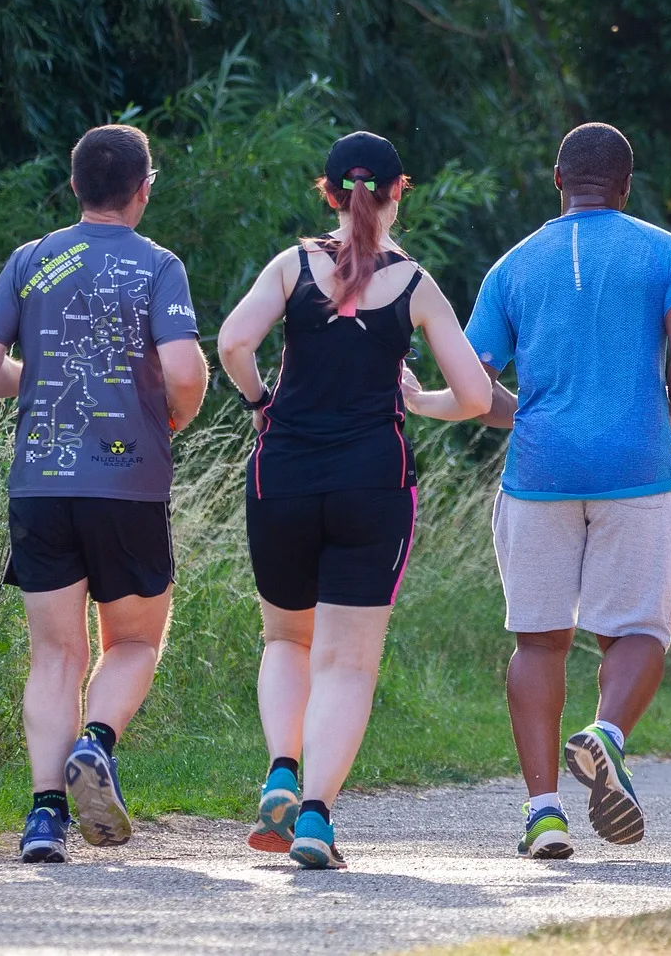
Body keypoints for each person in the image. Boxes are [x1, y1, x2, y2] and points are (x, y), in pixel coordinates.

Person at [217, 131, 489, 871]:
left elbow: (233, 342)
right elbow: (473, 396)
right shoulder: (417, 285)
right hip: (373, 484)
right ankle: (314, 817)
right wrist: (419, 400)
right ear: (400, 191)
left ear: (329, 193)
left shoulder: (290, 266)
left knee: (285, 641)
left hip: (283, 478)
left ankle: (280, 768)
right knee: (348, 666)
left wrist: (260, 402)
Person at [455, 122, 671, 860]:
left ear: (557, 180)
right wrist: (670, 409)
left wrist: (526, 415)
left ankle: (543, 814)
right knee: (636, 629)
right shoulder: (667, 253)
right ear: (626, 185)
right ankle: (604, 734)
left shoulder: (512, 266)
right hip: (638, 467)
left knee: (538, 639)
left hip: (539, 474)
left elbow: (475, 386)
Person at [0, 124, 209, 863]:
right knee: (134, 639)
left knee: (53, 656)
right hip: (128, 485)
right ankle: (95, 743)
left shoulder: (31, 260)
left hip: (40, 483)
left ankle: (44, 820)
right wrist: (172, 419)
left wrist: (28, 386)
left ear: (75, 186)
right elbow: (186, 372)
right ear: (144, 188)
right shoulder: (159, 267)